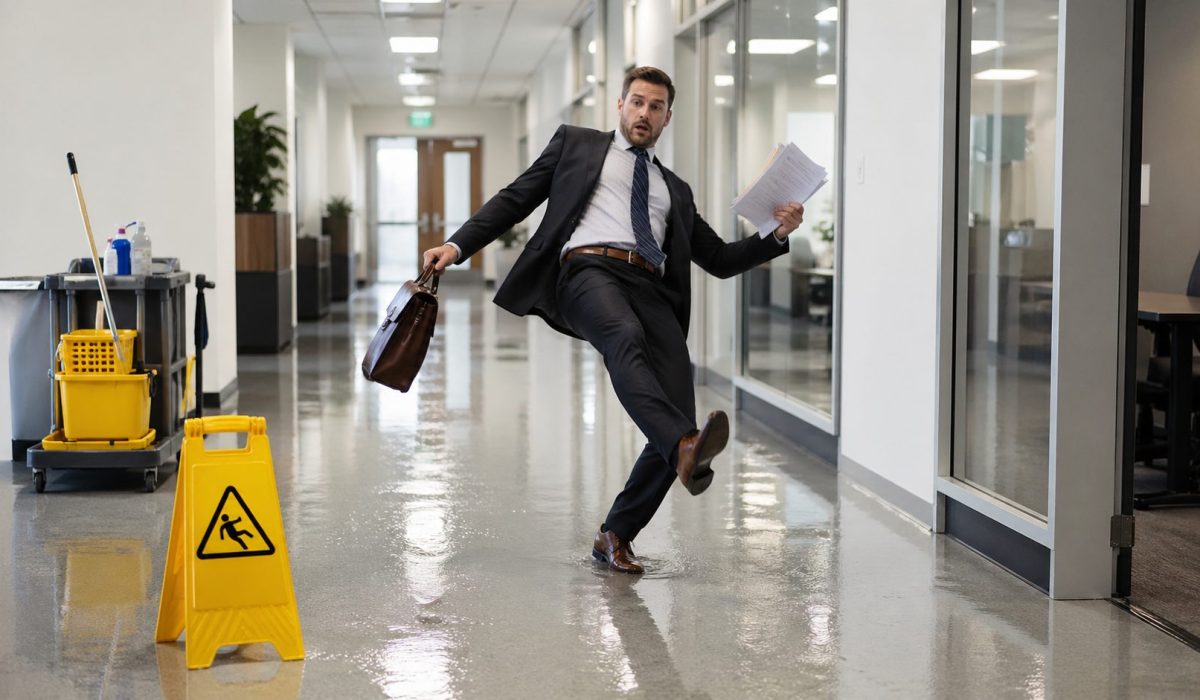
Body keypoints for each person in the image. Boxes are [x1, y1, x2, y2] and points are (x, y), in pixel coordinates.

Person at [422, 66, 804, 574]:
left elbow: (719, 258)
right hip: (587, 269)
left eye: (656, 107)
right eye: (637, 102)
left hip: (652, 288)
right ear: (620, 105)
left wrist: (776, 234)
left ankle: (616, 533)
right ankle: (682, 447)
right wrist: (458, 244)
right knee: (624, 341)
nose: (644, 113)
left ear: (669, 117)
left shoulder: (676, 190)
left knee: (677, 422)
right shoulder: (577, 146)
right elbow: (515, 198)